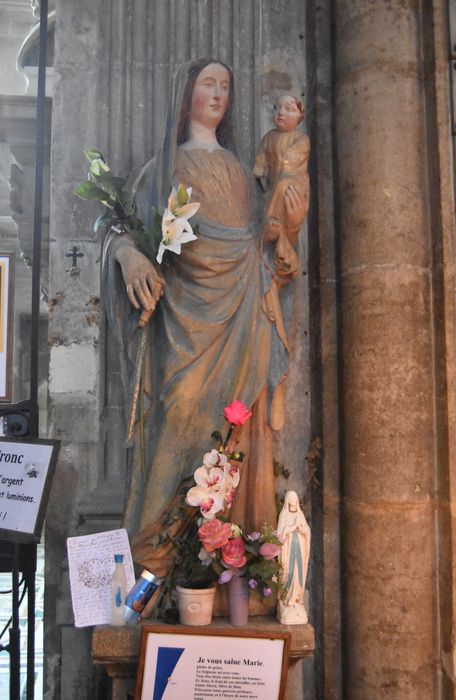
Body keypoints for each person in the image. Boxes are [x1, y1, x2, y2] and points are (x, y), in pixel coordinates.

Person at [103, 59, 308, 575]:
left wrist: (276, 251)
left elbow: (258, 244)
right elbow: (121, 227)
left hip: (241, 317)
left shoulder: (242, 172)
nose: (217, 94)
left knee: (236, 430)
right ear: (186, 94)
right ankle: (153, 557)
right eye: (207, 84)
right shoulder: (163, 169)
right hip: (182, 322)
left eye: (225, 86)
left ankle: (226, 564)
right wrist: (129, 255)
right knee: (178, 411)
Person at [254, 94, 310, 282]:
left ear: (300, 117)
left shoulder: (301, 139)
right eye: (277, 108)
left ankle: (275, 224)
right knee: (278, 188)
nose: (281, 113)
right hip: (274, 185)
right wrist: (259, 173)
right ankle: (276, 233)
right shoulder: (268, 138)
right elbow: (259, 165)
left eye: (289, 109)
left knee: (284, 186)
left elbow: (291, 161)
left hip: (295, 181)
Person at [276, 490, 311, 624]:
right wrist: (291, 528)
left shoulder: (300, 514)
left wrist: (302, 530)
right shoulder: (283, 514)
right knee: (288, 572)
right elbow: (280, 533)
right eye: (290, 498)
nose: (292, 501)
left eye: (294, 498)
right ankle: (286, 599)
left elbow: (307, 530)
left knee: (298, 573)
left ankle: (296, 598)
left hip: (300, 548)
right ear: (287, 501)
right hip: (288, 549)